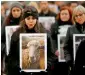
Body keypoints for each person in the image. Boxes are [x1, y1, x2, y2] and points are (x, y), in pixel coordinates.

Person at [6, 6, 54, 75]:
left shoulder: (45, 33)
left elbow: (51, 55)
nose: (31, 21)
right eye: (28, 18)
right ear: (24, 19)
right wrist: (20, 66)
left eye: (33, 18)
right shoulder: (16, 34)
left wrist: (45, 65)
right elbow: (11, 56)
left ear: (37, 19)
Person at [1, 2, 23, 75]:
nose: (16, 12)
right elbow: (1, 40)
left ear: (21, 11)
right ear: (11, 11)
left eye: (18, 10)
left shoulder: (25, 22)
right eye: (14, 10)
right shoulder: (6, 22)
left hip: (22, 57)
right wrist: (5, 48)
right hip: (10, 58)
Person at [50, 6, 73, 75]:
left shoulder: (73, 26)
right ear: (59, 15)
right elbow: (52, 39)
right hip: (58, 55)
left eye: (66, 14)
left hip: (70, 54)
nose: (64, 16)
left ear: (70, 15)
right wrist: (55, 49)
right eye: (62, 14)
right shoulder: (54, 26)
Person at [64, 5, 85, 75]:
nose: (78, 17)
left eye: (80, 15)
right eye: (76, 16)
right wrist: (69, 61)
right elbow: (66, 48)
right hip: (75, 64)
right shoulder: (70, 29)